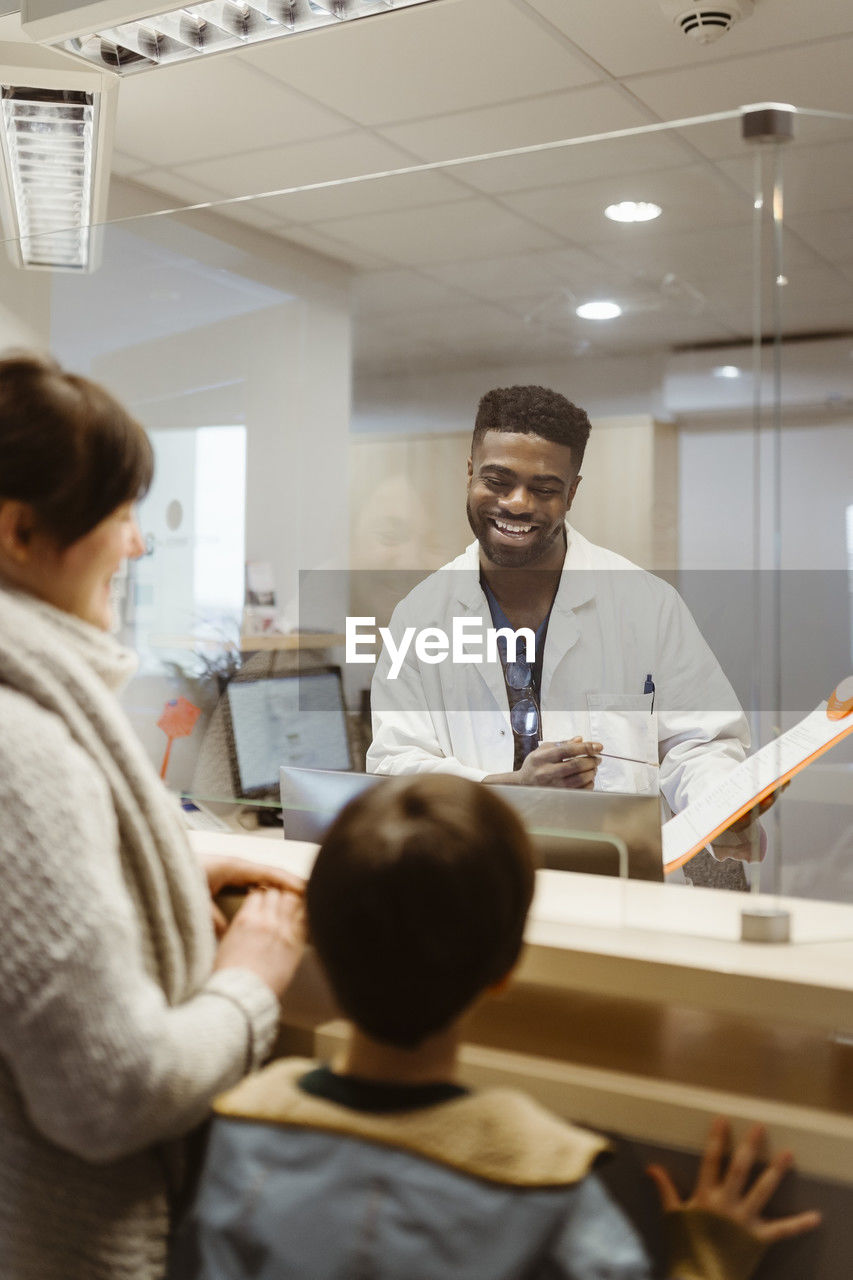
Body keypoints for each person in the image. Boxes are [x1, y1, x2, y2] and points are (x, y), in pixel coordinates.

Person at [169, 774, 820, 1279]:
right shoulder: (552, 1176)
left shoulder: (242, 1125)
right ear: (505, 969)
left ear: (318, 950)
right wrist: (704, 1252)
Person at [0, 352, 307, 1280]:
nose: (136, 547)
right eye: (121, 515)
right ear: (19, 532)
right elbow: (114, 1092)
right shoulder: (24, 750)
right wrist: (250, 981)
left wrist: (172, 860)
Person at [366, 384, 770, 885]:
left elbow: (701, 743)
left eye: (543, 488)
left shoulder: (645, 603)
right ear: (470, 472)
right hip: (472, 889)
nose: (516, 503)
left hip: (615, 890)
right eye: (498, 480)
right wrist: (509, 785)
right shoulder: (419, 616)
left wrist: (723, 803)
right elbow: (395, 765)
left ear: (572, 492)